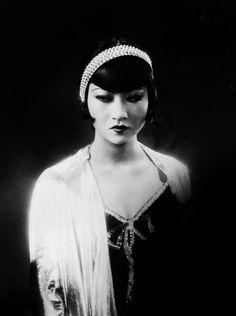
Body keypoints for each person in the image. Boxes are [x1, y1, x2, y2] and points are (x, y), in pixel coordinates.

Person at [28, 36, 191, 316]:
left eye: (134, 97)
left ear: (150, 99)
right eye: (103, 98)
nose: (119, 113)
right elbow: (49, 292)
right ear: (85, 101)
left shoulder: (176, 176)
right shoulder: (57, 184)